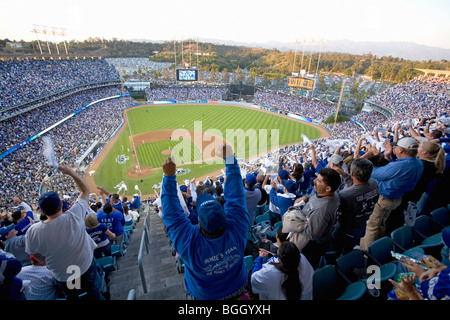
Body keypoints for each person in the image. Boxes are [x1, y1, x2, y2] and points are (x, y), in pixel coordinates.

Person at [160, 144, 250, 300]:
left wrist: (169, 178)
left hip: (205, 296)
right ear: (224, 215)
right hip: (239, 289)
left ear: (199, 223)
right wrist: (230, 160)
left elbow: (173, 217)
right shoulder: (238, 227)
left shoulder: (190, 243)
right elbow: (236, 198)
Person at [25, 165, 104, 300]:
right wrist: (71, 173)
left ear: (41, 212)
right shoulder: (74, 215)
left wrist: (45, 261)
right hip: (85, 267)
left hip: (63, 275)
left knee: (73, 297)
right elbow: (85, 190)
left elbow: (34, 253)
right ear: (61, 205)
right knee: (94, 293)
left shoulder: (33, 231)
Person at [359, 137, 424, 251]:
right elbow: (395, 172)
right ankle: (378, 247)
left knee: (371, 226)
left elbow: (373, 173)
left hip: (383, 199)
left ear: (400, 151)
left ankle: (366, 254)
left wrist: (375, 156)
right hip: (396, 198)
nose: (394, 147)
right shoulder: (417, 162)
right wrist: (387, 156)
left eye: (396, 146)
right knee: (382, 223)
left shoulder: (399, 166)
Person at [283, 168, 341, 269]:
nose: (314, 180)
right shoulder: (330, 194)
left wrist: (295, 217)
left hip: (309, 247)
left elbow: (312, 234)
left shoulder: (322, 211)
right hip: (314, 238)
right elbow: (315, 196)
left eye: (318, 180)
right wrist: (306, 198)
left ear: (328, 188)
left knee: (305, 267)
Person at [331, 158, 380, 255]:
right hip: (361, 226)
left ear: (352, 173)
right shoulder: (374, 183)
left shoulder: (345, 195)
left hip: (345, 229)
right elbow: (358, 185)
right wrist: (344, 174)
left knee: (336, 251)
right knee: (348, 250)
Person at [250, 227, 314, 300]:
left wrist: (259, 258)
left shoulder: (269, 272)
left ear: (281, 259)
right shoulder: (303, 259)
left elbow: (253, 280)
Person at [388, 226, 450, 300]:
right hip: (431, 284)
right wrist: (440, 269)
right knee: (411, 255)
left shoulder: (445, 289)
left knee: (399, 290)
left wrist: (411, 292)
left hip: (426, 292)